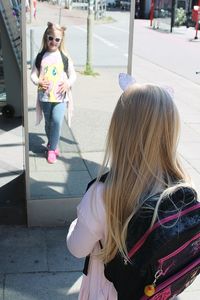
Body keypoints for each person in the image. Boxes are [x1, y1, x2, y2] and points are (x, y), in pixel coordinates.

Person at [66, 77, 196, 299]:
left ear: (118, 131)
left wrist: (77, 223)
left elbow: (77, 248)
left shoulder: (102, 195)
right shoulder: (181, 186)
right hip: (158, 290)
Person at [31, 22, 76, 164]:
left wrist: (68, 83)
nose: (53, 42)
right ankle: (52, 143)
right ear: (46, 37)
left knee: (57, 121)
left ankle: (51, 149)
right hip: (44, 96)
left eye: (57, 39)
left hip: (60, 96)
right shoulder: (40, 57)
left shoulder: (64, 56)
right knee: (49, 123)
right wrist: (38, 81)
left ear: (61, 41)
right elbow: (33, 74)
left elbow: (73, 75)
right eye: (51, 38)